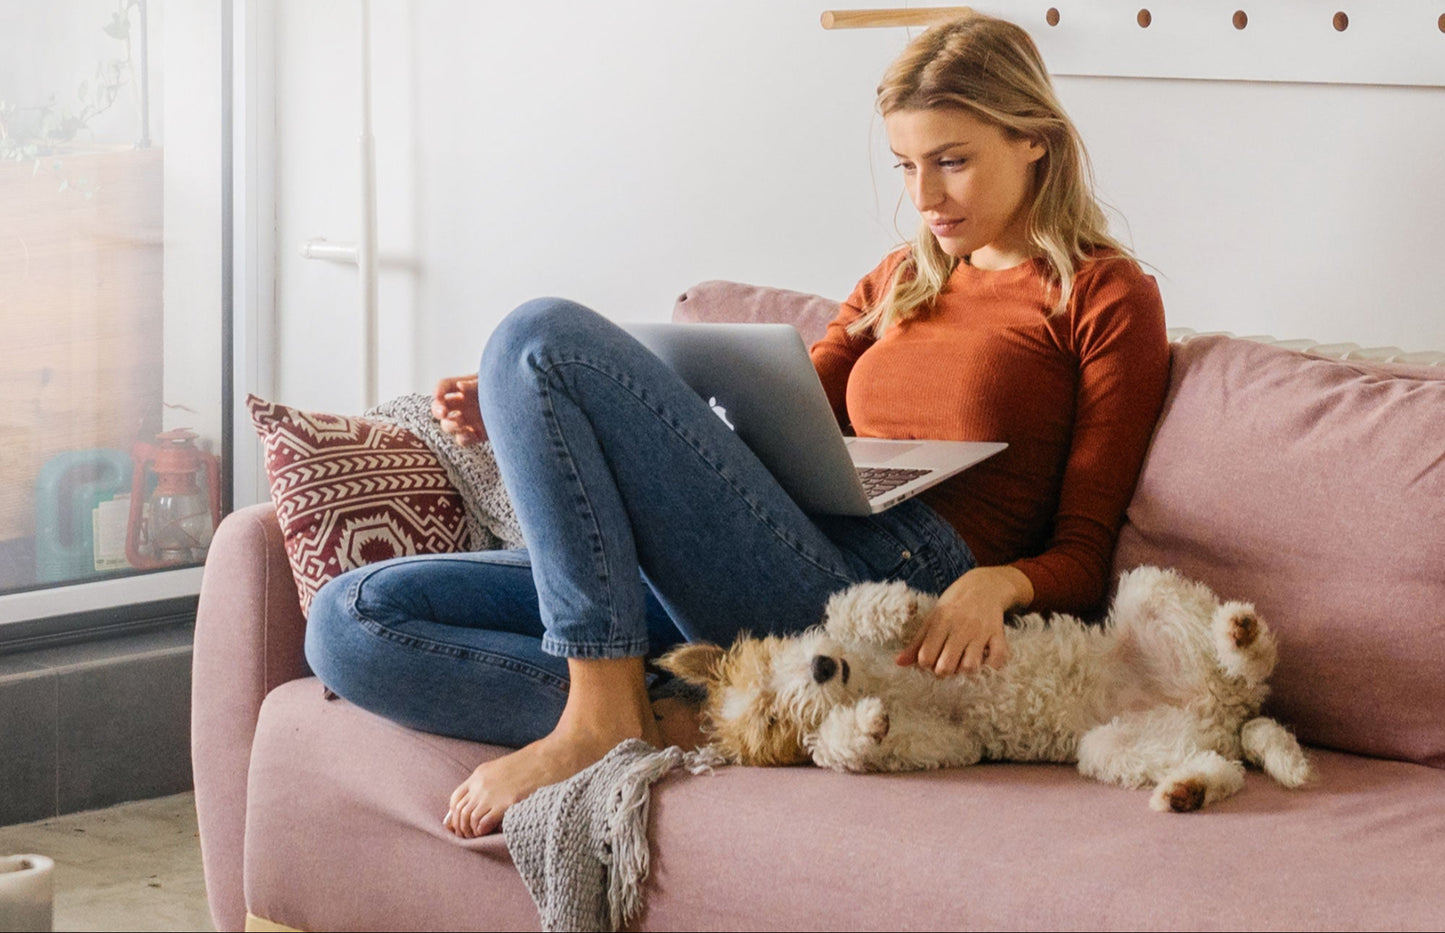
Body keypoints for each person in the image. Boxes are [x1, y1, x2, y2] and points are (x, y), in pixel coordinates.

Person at [303, 11, 1169, 839]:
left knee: (536, 337)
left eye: (951, 161)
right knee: (351, 620)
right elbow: (757, 425)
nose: (926, 197)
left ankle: (598, 713)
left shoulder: (1103, 293)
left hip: (897, 583)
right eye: (905, 166)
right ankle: (684, 709)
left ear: (1034, 140)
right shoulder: (900, 278)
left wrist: (1001, 584)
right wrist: (546, 426)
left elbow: (1087, 552)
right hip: (777, 551)